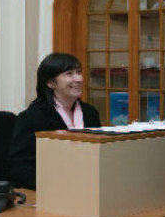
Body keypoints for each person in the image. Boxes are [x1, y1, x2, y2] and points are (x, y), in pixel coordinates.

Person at [8, 53, 101, 190]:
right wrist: (50, 187)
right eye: (69, 74)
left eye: (79, 72)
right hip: (50, 191)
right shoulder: (32, 117)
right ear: (51, 82)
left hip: (89, 187)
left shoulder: (90, 113)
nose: (79, 79)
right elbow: (18, 167)